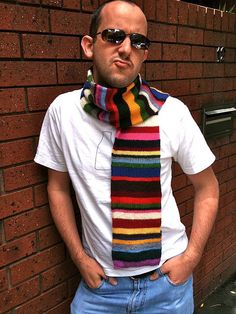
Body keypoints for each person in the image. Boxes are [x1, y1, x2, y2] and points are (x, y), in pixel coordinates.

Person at [34, 1, 219, 313]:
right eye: (114, 35)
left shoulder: (171, 113)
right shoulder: (63, 112)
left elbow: (208, 188)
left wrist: (193, 256)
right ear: (89, 46)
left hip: (167, 287)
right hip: (101, 289)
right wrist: (79, 257)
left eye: (138, 41)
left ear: (144, 54)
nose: (126, 48)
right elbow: (57, 187)